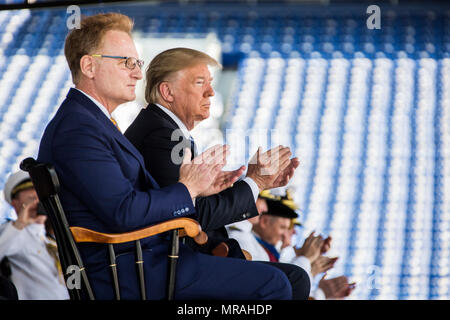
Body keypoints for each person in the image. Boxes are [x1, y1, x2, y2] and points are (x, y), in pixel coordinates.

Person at [37, 12, 295, 300]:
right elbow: (123, 212)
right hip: (133, 272)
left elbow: (130, 203)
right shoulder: (78, 130)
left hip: (144, 261)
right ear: (89, 66)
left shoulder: (89, 123)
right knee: (275, 285)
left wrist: (198, 188)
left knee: (282, 280)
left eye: (138, 64)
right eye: (127, 63)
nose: (136, 73)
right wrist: (188, 190)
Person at [124, 47, 310, 299]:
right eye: (200, 83)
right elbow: (192, 214)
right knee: (284, 281)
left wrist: (254, 184)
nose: (211, 91)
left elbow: (189, 206)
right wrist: (254, 183)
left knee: (294, 279)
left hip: (174, 256)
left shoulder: (164, 130)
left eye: (210, 83)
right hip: (166, 266)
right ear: (167, 92)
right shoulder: (166, 135)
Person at [0, 170, 69, 300]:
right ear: (15, 204)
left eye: (41, 198)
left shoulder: (52, 240)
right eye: (32, 199)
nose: (39, 203)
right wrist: (20, 223)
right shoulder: (12, 233)